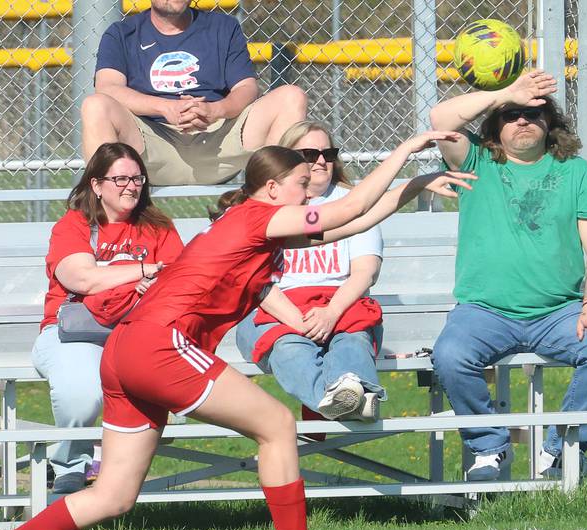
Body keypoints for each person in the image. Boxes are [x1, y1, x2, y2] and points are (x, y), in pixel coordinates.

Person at [0, 132, 474, 530]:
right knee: (275, 423)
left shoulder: (258, 228)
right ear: (272, 189)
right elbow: (350, 207)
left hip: (127, 352)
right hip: (159, 345)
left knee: (113, 497)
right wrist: (409, 148)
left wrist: (418, 185)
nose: (310, 185)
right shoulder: (256, 219)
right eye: (300, 182)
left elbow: (351, 223)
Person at [429, 70, 587, 481]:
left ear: (550, 126)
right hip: (485, 312)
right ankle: (489, 449)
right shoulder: (476, 162)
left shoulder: (576, 172)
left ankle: (560, 453)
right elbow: (440, 120)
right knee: (450, 355)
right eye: (512, 114)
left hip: (558, 312)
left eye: (534, 114)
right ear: (495, 127)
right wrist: (504, 92)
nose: (522, 120)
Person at [31, 142, 184, 495]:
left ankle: (117, 471)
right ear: (97, 185)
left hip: (138, 332)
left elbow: (177, 282)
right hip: (74, 333)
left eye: (137, 178)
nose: (131, 186)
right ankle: (70, 467)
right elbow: (81, 279)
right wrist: (142, 271)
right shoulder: (75, 225)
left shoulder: (159, 228)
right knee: (80, 392)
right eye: (120, 179)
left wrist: (124, 280)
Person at [236, 121, 385, 425]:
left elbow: (365, 272)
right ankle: (347, 399)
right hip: (276, 307)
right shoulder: (263, 206)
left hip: (340, 303)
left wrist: (331, 313)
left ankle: (344, 394)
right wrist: (297, 319)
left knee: (352, 339)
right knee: (289, 347)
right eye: (309, 153)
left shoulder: (350, 202)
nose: (320, 161)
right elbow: (255, 281)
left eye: (327, 153)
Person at [81, 0, 307, 186]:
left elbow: (246, 88)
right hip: (152, 143)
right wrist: (164, 107)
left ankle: (272, 214)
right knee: (96, 106)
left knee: (291, 97)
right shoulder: (122, 33)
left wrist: (215, 110)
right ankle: (109, 226)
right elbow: (108, 87)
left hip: (218, 139)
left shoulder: (223, 26)